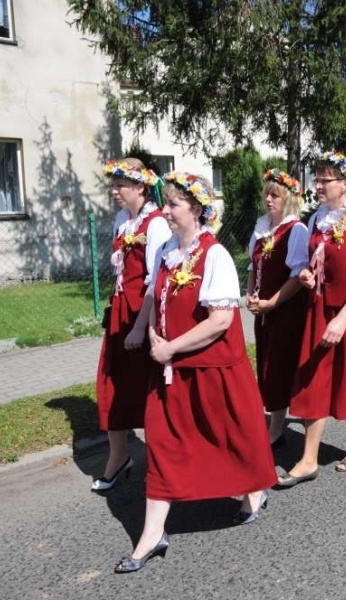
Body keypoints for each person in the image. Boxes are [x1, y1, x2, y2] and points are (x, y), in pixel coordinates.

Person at [114, 172, 277, 574]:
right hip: (170, 370)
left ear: (198, 210)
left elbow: (221, 320)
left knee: (232, 436)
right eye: (165, 203)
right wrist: (144, 330)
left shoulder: (215, 255)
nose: (166, 211)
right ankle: (152, 534)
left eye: (173, 205)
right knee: (162, 442)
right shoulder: (166, 250)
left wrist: (170, 347)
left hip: (213, 370)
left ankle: (254, 489)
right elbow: (153, 295)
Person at [279, 151, 346, 487]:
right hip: (320, 307)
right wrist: (307, 275)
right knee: (312, 377)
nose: (319, 186)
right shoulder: (316, 219)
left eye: (325, 180)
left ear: (345, 184)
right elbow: (310, 263)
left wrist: (342, 319)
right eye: (318, 179)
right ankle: (308, 459)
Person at [93, 158, 171, 492]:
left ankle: (160, 459)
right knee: (111, 384)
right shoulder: (122, 220)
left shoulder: (156, 223)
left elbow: (156, 281)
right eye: (113, 185)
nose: (114, 191)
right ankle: (119, 455)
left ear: (140, 186)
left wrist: (141, 327)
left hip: (143, 313)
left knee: (148, 388)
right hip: (120, 311)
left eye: (120, 185)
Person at [246, 169, 309, 448]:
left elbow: (297, 275)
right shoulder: (262, 228)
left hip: (286, 311)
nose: (269, 200)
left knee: (280, 366)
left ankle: (278, 427)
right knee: (267, 364)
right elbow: (253, 267)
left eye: (276, 195)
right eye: (267, 195)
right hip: (264, 311)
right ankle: (277, 419)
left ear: (288, 199)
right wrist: (250, 295)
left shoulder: (295, 230)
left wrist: (272, 303)